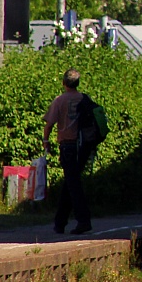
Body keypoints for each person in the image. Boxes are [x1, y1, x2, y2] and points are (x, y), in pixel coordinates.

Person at [42, 68, 93, 235]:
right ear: (77, 83)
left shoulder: (60, 100)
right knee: (70, 182)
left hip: (68, 146)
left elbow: (49, 124)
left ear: (64, 83)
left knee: (73, 184)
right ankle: (60, 223)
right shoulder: (84, 99)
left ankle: (83, 220)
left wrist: (46, 141)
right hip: (83, 147)